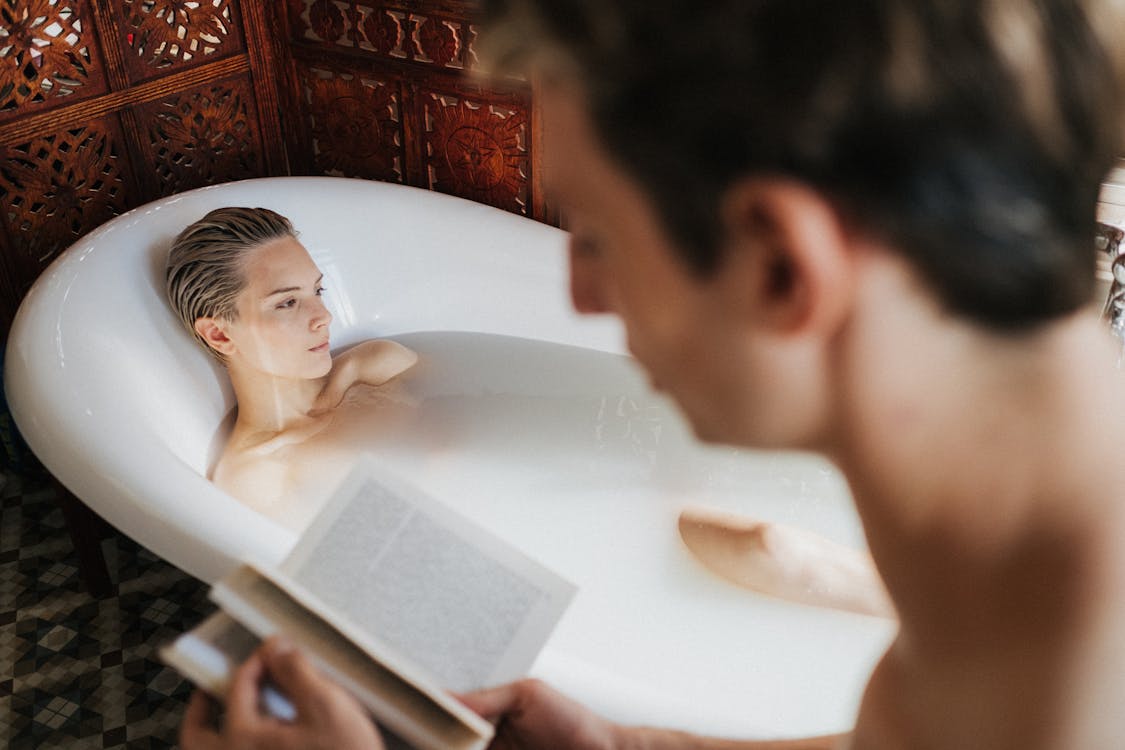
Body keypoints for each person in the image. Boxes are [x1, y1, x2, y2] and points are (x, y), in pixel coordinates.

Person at [181, 0, 1125, 748]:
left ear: (780, 264)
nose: (584, 296)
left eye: (596, 236)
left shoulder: (1066, 691)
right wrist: (638, 747)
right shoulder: (1030, 595)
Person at [165, 207, 418, 530]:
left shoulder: (379, 366)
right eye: (287, 303)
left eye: (317, 291)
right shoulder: (257, 477)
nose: (323, 316)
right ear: (220, 334)